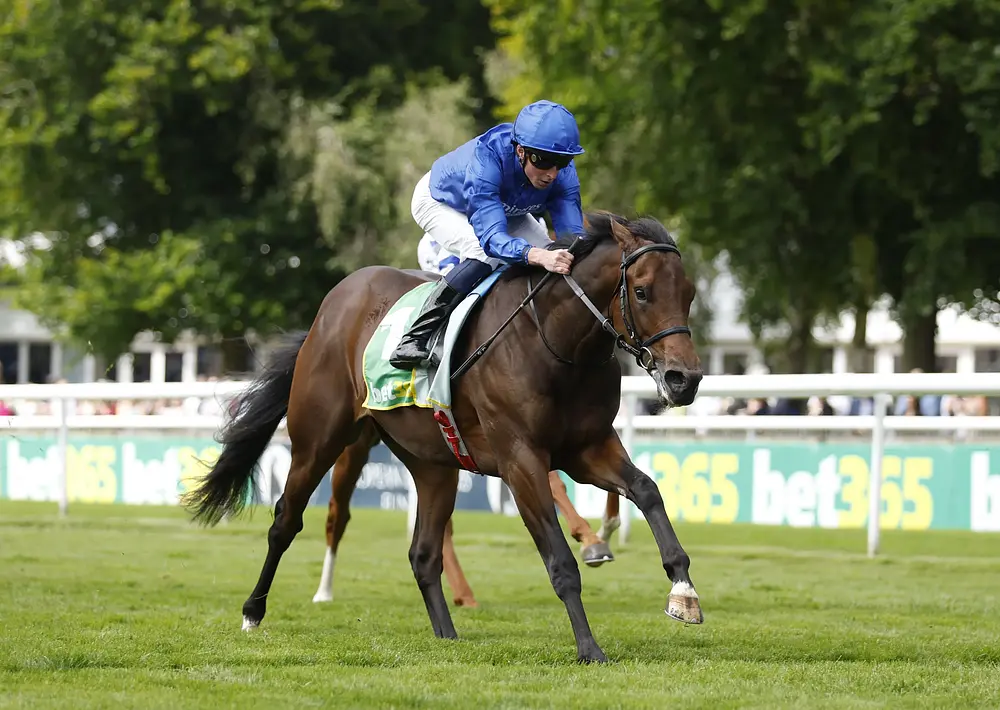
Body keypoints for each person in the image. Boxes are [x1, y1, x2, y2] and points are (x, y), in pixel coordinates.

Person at [389, 99, 585, 369]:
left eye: (561, 162)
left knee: (558, 256)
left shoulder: (561, 174)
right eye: (543, 161)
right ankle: (415, 336)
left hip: (505, 208)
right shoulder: (488, 159)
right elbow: (492, 239)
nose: (552, 174)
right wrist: (537, 255)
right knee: (482, 252)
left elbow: (572, 239)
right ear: (520, 151)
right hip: (440, 201)